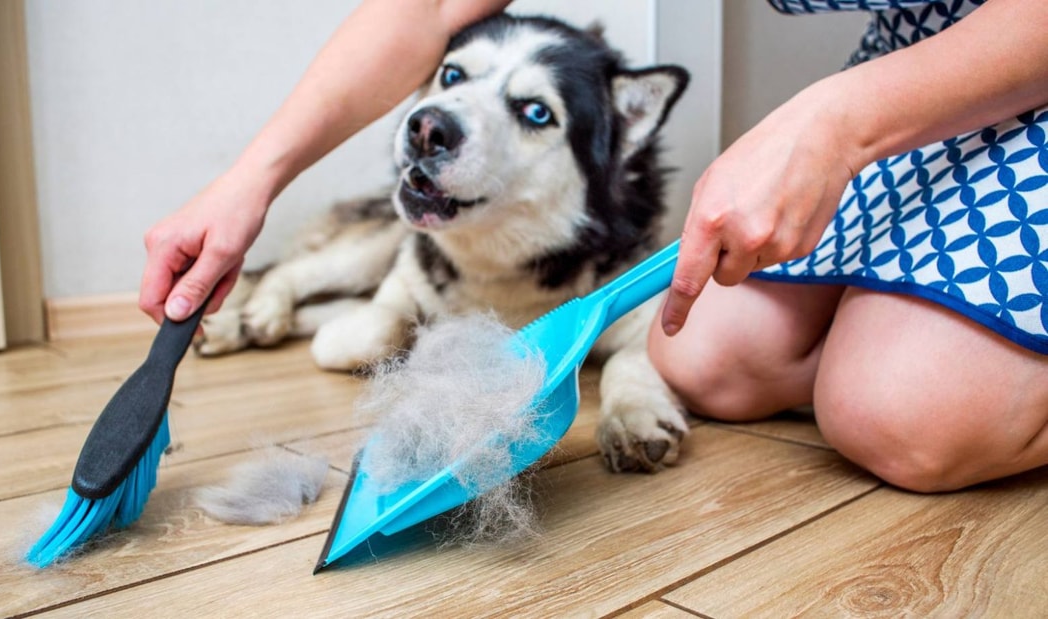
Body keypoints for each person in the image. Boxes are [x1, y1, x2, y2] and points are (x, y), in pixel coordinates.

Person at [139, 0, 1048, 493]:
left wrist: (834, 124)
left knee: (903, 417)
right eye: (455, 85)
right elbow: (429, 9)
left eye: (534, 112)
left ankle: (937, 360)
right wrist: (253, 176)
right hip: (921, 70)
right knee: (715, 365)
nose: (441, 115)